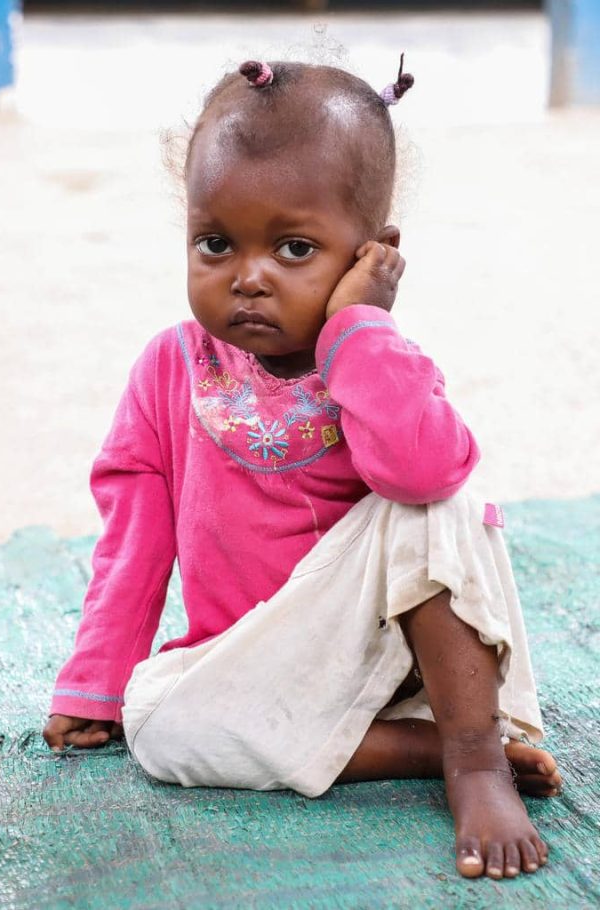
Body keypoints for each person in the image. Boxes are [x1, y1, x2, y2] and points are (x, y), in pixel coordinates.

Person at [41, 56, 563, 880]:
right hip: (261, 671)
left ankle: (472, 756)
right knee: (157, 723)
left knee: (434, 496)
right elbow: (134, 538)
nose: (249, 277)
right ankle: (417, 753)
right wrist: (95, 683)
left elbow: (426, 472)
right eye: (215, 242)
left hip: (396, 658)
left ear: (372, 255)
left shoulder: (375, 358)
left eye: (294, 248)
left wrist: (358, 326)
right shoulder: (171, 370)